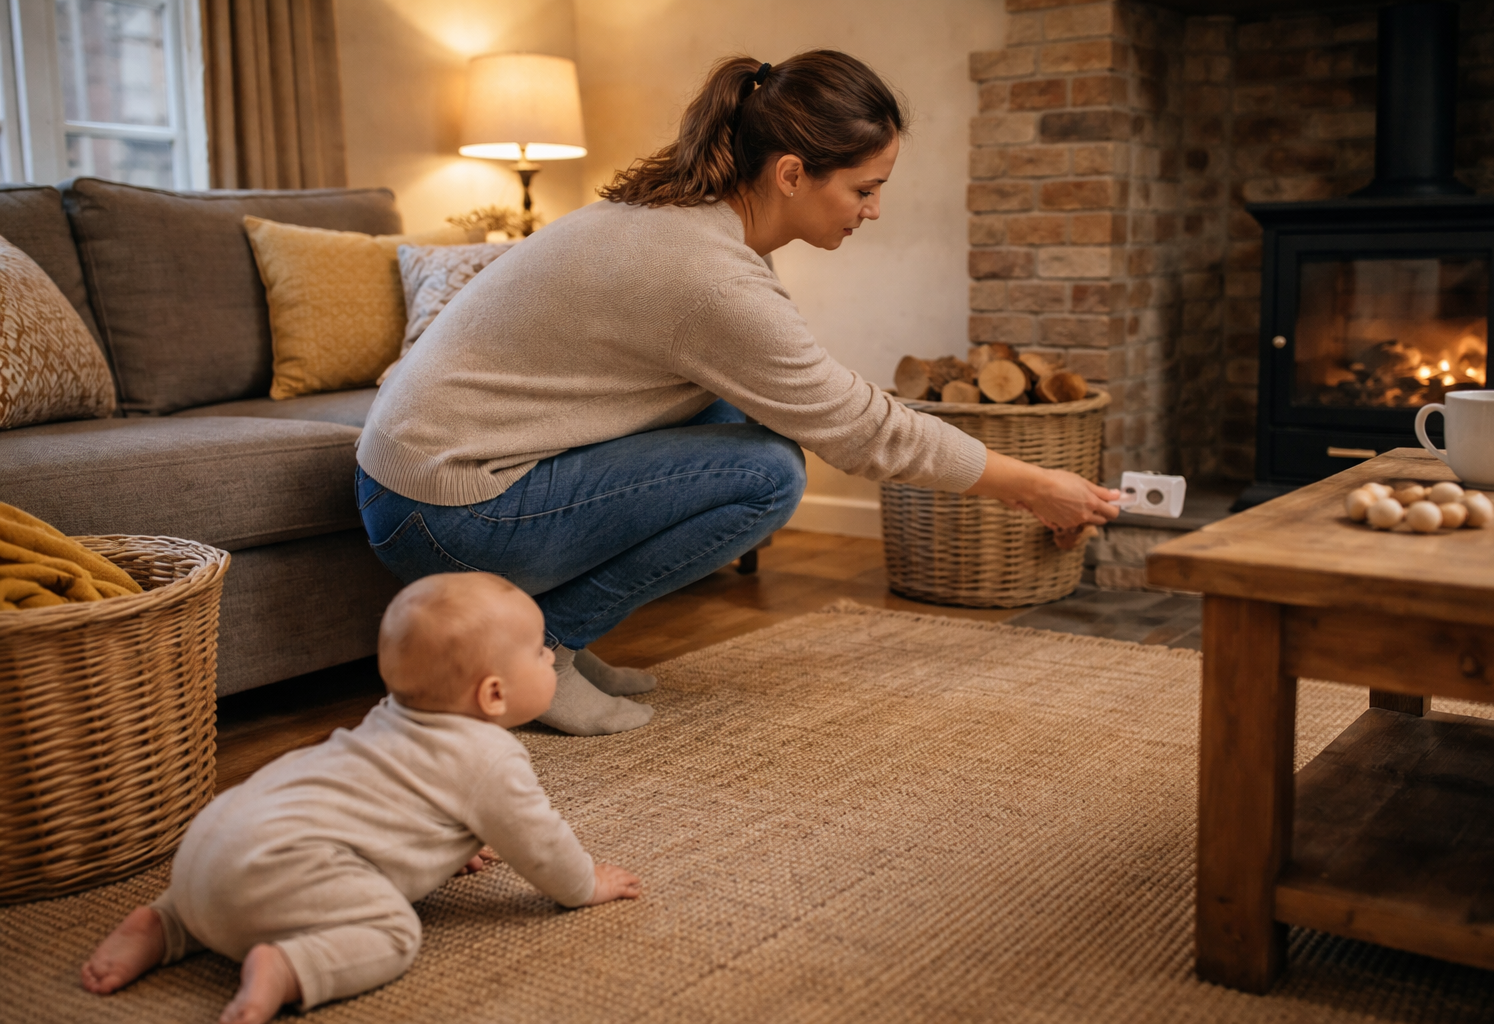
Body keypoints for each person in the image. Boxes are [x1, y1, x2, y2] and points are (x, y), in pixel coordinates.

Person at [355, 50, 1119, 738]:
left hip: (422, 483)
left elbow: (806, 394)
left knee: (742, 415)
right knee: (768, 475)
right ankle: (545, 648)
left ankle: (557, 641)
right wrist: (1034, 486)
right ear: (791, 173)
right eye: (866, 188)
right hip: (444, 513)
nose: (873, 210)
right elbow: (859, 428)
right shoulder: (707, 273)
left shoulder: (691, 221)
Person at [80, 573, 641, 1024]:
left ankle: (167, 925)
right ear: (493, 695)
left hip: (211, 845)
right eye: (541, 654)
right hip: (284, 873)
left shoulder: (389, 717)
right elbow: (538, 841)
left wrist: (449, 844)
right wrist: (583, 884)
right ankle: (289, 965)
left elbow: (395, 803)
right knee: (394, 933)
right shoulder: (488, 759)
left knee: (238, 882)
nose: (549, 658)